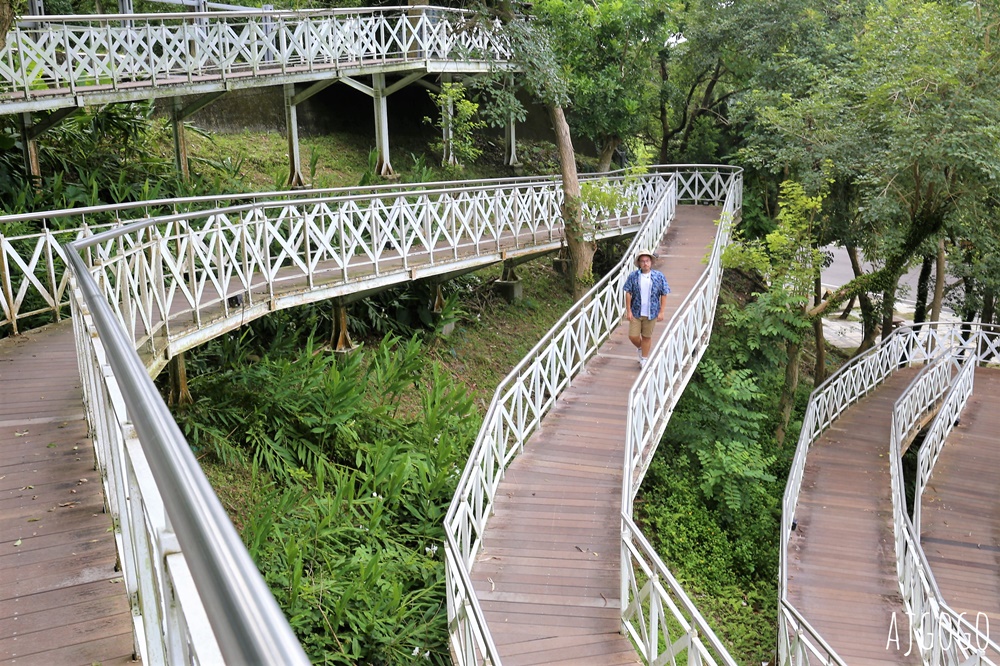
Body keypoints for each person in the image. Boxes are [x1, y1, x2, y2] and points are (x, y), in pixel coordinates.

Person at [622, 249, 670, 368]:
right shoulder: (634, 276)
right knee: (633, 336)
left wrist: (662, 311)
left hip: (652, 312)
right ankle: (640, 347)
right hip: (636, 311)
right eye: (642, 261)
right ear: (639, 263)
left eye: (647, 261)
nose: (645, 263)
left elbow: (664, 293)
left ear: (651, 262)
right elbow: (628, 292)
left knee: (646, 336)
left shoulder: (658, 276)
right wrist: (628, 310)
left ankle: (644, 358)